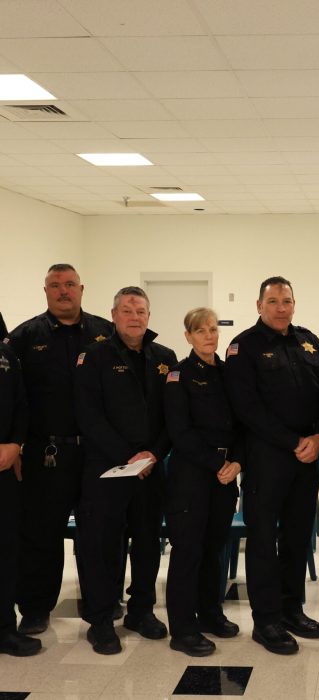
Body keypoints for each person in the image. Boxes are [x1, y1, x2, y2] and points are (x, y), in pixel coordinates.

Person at [225, 276, 319, 655]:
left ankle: (291, 609)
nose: (281, 307)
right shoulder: (243, 347)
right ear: (259, 306)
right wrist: (292, 442)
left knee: (298, 537)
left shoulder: (309, 340)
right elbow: (246, 407)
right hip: (267, 458)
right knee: (264, 540)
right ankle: (266, 619)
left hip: (306, 457)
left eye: (286, 300)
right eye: (273, 301)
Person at [7, 263, 112, 635]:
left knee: (99, 534)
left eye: (70, 284)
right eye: (56, 285)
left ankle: (103, 604)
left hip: (98, 454)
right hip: (45, 453)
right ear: (46, 291)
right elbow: (11, 396)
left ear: (82, 289)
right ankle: (35, 608)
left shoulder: (105, 333)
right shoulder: (24, 337)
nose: (63, 291)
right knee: (41, 535)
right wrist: (15, 443)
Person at [75, 286, 176, 654]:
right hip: (106, 470)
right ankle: (101, 619)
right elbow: (89, 415)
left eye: (141, 310)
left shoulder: (164, 357)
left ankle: (141, 610)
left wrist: (152, 455)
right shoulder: (95, 355)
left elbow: (172, 417)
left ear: (149, 316)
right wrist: (129, 457)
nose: (135, 316)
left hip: (150, 471)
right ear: (114, 315)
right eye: (128, 310)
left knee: (149, 543)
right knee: (103, 546)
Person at [164, 307, 243, 657]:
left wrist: (237, 463)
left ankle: (211, 614)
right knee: (188, 550)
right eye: (200, 331)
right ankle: (183, 630)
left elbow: (244, 423)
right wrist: (218, 463)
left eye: (213, 329)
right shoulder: (178, 376)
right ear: (188, 336)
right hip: (192, 475)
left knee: (215, 548)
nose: (209, 336)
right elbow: (180, 432)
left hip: (225, 475)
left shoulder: (230, 374)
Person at [0, 342, 41, 657]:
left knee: (7, 549)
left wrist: (15, 444)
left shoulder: (8, 356)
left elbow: (21, 403)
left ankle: (4, 629)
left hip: (4, 464)